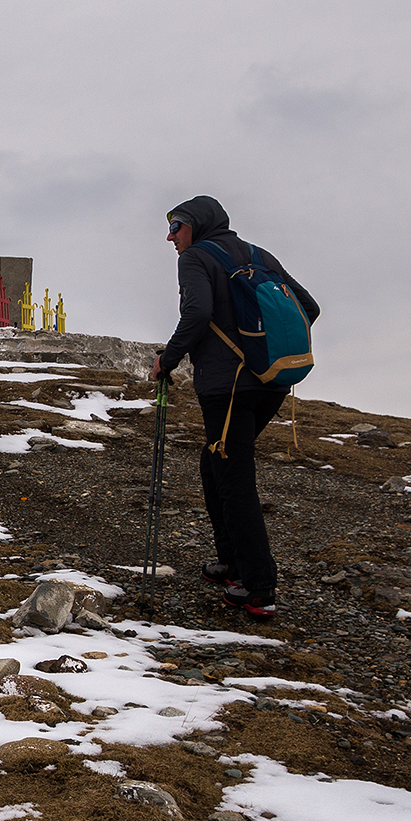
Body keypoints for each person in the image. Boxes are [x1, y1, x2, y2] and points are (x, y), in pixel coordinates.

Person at [154, 196, 319, 622]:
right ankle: (230, 562)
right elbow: (309, 307)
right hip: (271, 384)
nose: (170, 235)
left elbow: (197, 312)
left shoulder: (195, 259)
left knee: (234, 478)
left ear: (198, 226)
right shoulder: (259, 255)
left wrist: (167, 360)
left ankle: (258, 586)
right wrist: (262, 351)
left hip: (227, 389)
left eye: (177, 226)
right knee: (215, 464)